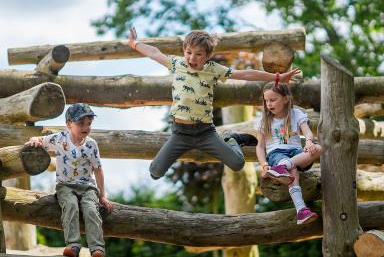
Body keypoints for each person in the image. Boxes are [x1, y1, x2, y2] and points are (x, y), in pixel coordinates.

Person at [128, 27, 301, 179]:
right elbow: (154, 53)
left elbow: (245, 74)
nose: (192, 58)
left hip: (205, 133)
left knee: (237, 163)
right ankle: (159, 167)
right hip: (180, 133)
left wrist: (277, 77)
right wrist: (135, 43)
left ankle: (233, 139)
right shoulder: (177, 64)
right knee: (155, 172)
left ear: (208, 56)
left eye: (198, 54)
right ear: (184, 51)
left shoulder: (213, 70)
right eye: (189, 52)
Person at [26, 103, 113, 257]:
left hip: (88, 187)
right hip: (65, 186)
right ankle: (73, 245)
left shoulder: (92, 145)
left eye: (89, 123)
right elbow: (40, 139)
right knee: (71, 205)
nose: (86, 127)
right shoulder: (60, 139)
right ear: (68, 124)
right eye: (81, 123)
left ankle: (97, 248)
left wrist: (102, 196)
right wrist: (35, 141)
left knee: (91, 210)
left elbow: (98, 169)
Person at [256, 81, 321, 225]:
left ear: (286, 99)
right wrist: (264, 164)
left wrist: (309, 142)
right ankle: (301, 210)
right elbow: (260, 147)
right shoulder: (264, 120)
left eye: (273, 100)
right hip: (276, 154)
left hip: (297, 154)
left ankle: (284, 166)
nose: (269, 104)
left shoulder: (296, 114)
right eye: (266, 101)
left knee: (319, 149)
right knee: (292, 173)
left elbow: (308, 133)